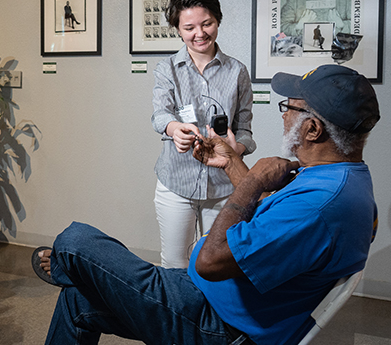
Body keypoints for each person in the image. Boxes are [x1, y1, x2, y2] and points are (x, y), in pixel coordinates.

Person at [33, 64, 378, 345]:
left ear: (313, 129)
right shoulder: (340, 179)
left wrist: (256, 181)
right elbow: (270, 222)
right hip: (220, 300)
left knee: (75, 242)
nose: (284, 115)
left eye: (288, 107)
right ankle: (73, 273)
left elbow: (211, 262)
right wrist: (231, 162)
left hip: (215, 323)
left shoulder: (320, 205)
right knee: (78, 298)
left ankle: (66, 267)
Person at [151, 0, 256, 268]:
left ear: (217, 20)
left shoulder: (237, 71)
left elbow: (244, 127)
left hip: (224, 186)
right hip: (176, 181)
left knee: (217, 266)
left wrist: (237, 149)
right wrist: (174, 129)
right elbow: (160, 114)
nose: (200, 34)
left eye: (207, 23)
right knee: (175, 264)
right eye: (189, 27)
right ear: (178, 29)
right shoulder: (167, 69)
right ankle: (177, 314)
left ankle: (208, 315)